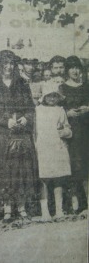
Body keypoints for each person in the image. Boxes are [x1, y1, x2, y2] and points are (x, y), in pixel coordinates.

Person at [0, 50, 38, 222]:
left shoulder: (22, 83)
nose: (8, 67)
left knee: (21, 169)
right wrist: (5, 121)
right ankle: (7, 208)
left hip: (20, 133)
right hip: (1, 134)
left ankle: (22, 207)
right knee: (4, 170)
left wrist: (25, 118)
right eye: (5, 63)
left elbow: (30, 108)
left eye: (11, 64)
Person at [35, 84, 72, 221]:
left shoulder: (60, 110)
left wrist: (64, 132)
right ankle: (45, 211)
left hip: (57, 146)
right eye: (49, 96)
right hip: (43, 146)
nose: (52, 98)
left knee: (58, 178)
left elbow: (67, 127)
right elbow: (35, 130)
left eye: (54, 96)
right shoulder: (37, 110)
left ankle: (59, 210)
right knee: (43, 178)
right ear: (44, 97)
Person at [60, 56, 89, 214]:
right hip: (72, 132)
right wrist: (67, 113)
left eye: (77, 67)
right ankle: (72, 203)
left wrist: (87, 109)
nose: (75, 71)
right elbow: (57, 110)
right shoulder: (62, 88)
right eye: (71, 67)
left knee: (86, 164)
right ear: (67, 70)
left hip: (86, 129)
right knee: (73, 165)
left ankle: (86, 203)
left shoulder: (87, 86)